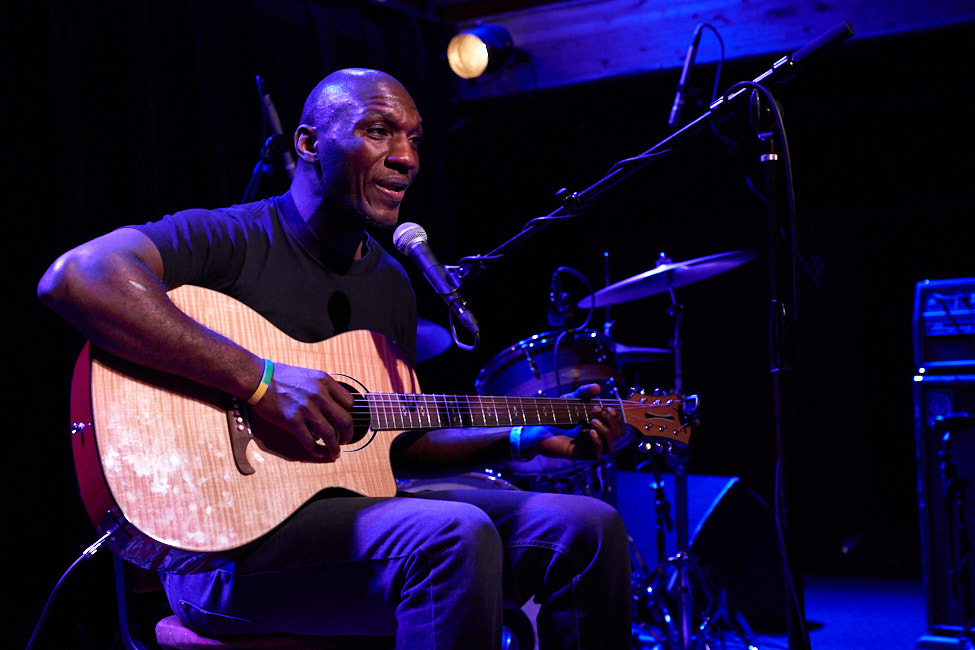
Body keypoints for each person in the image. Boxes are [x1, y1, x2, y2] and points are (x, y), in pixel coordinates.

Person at [38, 68, 632, 649]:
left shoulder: (392, 283)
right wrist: (261, 382)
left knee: (588, 528)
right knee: (453, 535)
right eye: (378, 131)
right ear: (308, 144)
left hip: (350, 522)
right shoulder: (232, 239)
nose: (407, 157)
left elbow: (396, 442)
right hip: (220, 549)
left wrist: (524, 437)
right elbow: (76, 277)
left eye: (414, 138)